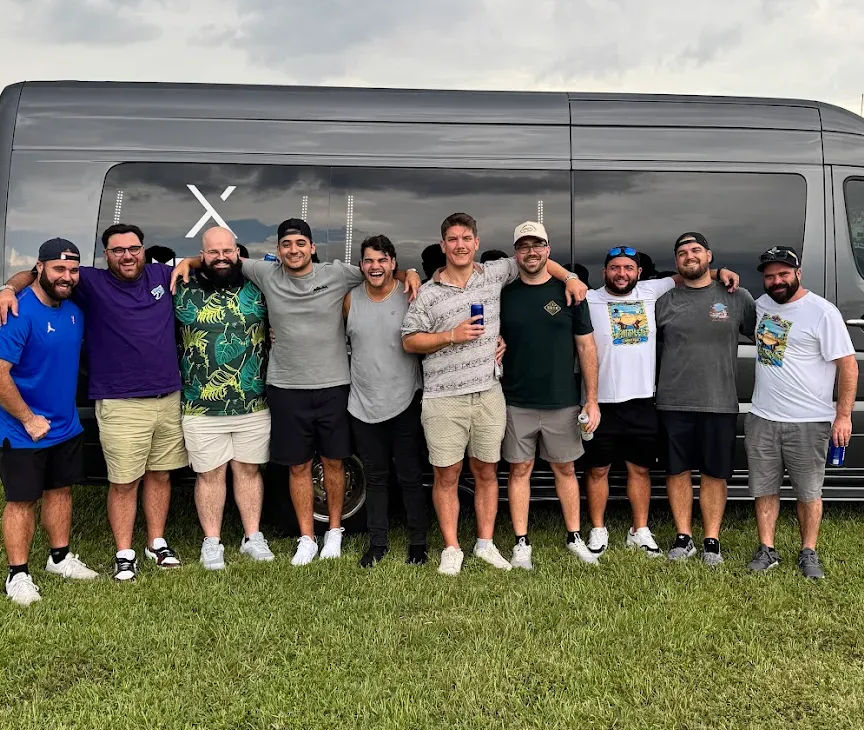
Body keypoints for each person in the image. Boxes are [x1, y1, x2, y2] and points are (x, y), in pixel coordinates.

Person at [173, 218, 419, 566]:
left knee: (335, 463)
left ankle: (334, 532)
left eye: (300, 244)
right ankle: (307, 537)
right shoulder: (265, 273)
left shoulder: (336, 274)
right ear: (278, 251)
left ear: (312, 248)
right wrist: (189, 262)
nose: (294, 250)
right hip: (286, 388)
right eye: (286, 245)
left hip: (334, 385)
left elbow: (378, 270)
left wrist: (410, 272)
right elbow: (222, 258)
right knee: (298, 466)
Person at [0, 224, 187, 582]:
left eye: (134, 248)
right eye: (117, 250)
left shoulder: (163, 274)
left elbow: (214, 260)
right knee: (125, 481)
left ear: (143, 249)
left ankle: (156, 543)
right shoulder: (90, 284)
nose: (127, 255)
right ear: (106, 256)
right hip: (120, 403)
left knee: (160, 475)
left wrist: (191, 261)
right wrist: (6, 288)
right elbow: (34, 275)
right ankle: (124, 553)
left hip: (167, 397)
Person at [402, 211, 585, 575]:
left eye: (466, 238)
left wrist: (572, 277)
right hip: (443, 398)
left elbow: (536, 258)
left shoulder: (495, 274)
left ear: (476, 243)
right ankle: (452, 548)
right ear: (443, 246)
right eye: (452, 239)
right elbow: (409, 340)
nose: (460, 245)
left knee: (487, 473)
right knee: (446, 475)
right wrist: (450, 336)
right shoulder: (427, 292)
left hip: (488, 393)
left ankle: (485, 543)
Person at [584, 247, 742, 556]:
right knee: (598, 470)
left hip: (643, 400)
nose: (621, 273)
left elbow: (688, 275)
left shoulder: (651, 290)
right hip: (600, 402)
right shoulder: (588, 299)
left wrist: (718, 272)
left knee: (639, 470)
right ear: (604, 273)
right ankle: (598, 528)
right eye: (614, 268)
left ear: (639, 273)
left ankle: (639, 530)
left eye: (628, 268)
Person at [0, 238, 99, 605]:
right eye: (58, 269)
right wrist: (28, 418)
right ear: (40, 268)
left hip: (64, 424)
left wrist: (8, 283)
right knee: (22, 500)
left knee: (60, 491)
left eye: (73, 270)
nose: (66, 277)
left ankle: (60, 558)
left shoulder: (73, 307)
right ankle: (17, 574)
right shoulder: (15, 312)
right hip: (22, 428)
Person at [745, 246, 859, 579]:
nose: (776, 281)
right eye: (770, 276)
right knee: (764, 489)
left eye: (783, 274)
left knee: (809, 492)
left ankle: (808, 551)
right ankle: (767, 548)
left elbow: (848, 366)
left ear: (798, 274)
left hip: (809, 421)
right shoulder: (760, 306)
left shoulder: (822, 312)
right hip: (763, 417)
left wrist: (843, 415)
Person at [499, 222, 600, 568]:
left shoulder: (570, 293)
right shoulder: (504, 294)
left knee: (566, 470)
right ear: (516, 253)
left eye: (537, 245)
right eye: (524, 246)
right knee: (519, 470)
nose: (531, 252)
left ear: (548, 249)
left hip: (562, 400)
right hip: (516, 400)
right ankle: (521, 543)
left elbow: (586, 347)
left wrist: (591, 399)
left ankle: (574, 536)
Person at [174, 226, 274, 570]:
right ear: (202, 255)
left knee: (248, 471)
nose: (220, 258)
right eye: (212, 252)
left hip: (253, 402)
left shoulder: (259, 283)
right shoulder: (182, 285)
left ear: (238, 252)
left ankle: (252, 537)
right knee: (210, 474)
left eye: (226, 251)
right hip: (200, 403)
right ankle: (212, 542)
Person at [655, 231, 756, 566]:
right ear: (677, 262)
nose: (689, 256)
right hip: (673, 401)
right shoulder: (664, 301)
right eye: (682, 252)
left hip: (719, 401)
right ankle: (684, 537)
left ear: (709, 256)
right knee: (677, 470)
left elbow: (767, 335)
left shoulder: (737, 298)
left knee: (715, 472)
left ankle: (711, 540)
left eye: (696, 250)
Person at [344, 235, 428, 567]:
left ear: (393, 263)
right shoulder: (349, 300)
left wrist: (412, 274)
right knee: (375, 478)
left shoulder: (410, 294)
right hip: (362, 404)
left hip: (405, 400)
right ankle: (377, 543)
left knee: (409, 476)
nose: (375, 267)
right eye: (368, 260)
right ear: (361, 265)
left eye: (382, 260)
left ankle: (418, 543)